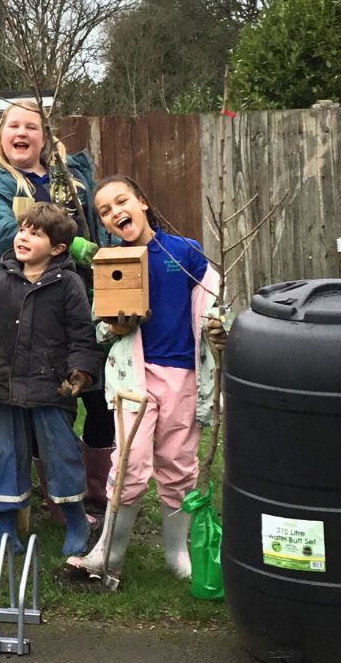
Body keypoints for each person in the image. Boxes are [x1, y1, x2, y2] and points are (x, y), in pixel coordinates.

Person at [68, 175, 228, 589]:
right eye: (104, 210)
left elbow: (213, 303)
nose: (115, 212)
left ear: (141, 202)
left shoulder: (185, 252)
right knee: (129, 463)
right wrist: (114, 328)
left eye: (121, 201)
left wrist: (217, 327)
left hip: (183, 376)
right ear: (103, 224)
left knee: (178, 465)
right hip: (132, 378)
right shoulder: (109, 262)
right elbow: (100, 326)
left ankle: (177, 553)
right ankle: (109, 554)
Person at [0, 99, 115, 524]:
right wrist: (76, 247)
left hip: (87, 297)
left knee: (99, 397)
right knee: (42, 400)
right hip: (33, 302)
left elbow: (98, 223)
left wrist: (99, 248)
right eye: (13, 125)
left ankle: (94, 494)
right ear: (1, 134)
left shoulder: (73, 177)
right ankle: (57, 496)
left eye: (31, 127)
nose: (22, 133)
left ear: (45, 136)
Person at [0, 203, 100, 563]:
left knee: (62, 454)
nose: (23, 237)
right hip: (2, 388)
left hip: (52, 389)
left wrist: (80, 372)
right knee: (3, 454)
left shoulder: (69, 285)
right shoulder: (0, 282)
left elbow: (82, 335)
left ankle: (75, 520)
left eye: (36, 233)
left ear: (58, 249)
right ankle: (5, 522)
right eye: (22, 229)